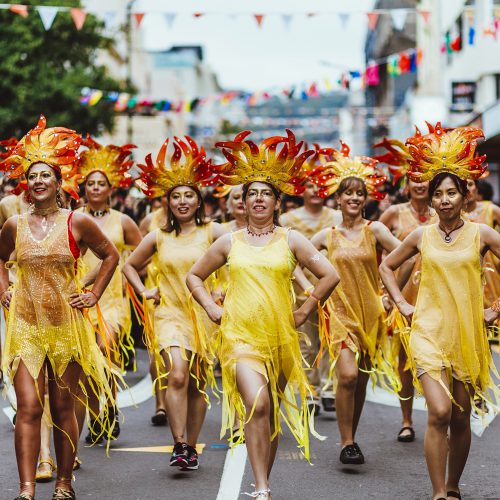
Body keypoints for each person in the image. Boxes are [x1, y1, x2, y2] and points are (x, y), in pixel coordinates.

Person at [187, 130, 339, 499]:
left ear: (276, 201)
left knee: (269, 416)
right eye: (250, 193)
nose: (256, 199)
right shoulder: (229, 241)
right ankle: (263, 488)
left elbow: (329, 275)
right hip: (239, 337)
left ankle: (260, 479)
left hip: (280, 338)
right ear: (242, 201)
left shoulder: (291, 240)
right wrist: (210, 307)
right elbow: (194, 275)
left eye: (264, 193)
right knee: (258, 403)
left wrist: (304, 309)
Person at [0, 116, 119, 500]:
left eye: (45, 175)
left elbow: (110, 255)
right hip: (25, 327)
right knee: (29, 408)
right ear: (26, 183)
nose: (38, 181)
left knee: (65, 407)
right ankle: (26, 487)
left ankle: (65, 483)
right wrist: (4, 288)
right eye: (32, 176)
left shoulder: (77, 221)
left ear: (58, 182)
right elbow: (0, 259)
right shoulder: (14, 225)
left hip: (67, 326)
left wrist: (95, 293)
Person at [379, 122, 500, 500]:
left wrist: (495, 309)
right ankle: (437, 493)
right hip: (428, 331)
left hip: (467, 335)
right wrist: (402, 304)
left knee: (462, 417)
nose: (445, 200)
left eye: (452, 192)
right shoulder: (420, 235)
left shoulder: (482, 234)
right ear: (430, 201)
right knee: (439, 411)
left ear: (466, 195)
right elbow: (386, 267)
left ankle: (453, 485)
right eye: (439, 194)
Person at [123, 136, 226, 472]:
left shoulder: (214, 232)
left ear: (199, 202)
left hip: (205, 315)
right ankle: (180, 443)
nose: (182, 201)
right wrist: (144, 291)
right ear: (167, 202)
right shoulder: (158, 236)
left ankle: (191, 445)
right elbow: (128, 266)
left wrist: (223, 291)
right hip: (169, 315)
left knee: (198, 383)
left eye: (189, 196)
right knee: (177, 376)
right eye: (176, 196)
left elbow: (237, 264)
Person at [309, 141, 401, 464]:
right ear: (338, 198)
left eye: (359, 193)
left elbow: (405, 253)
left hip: (371, 313)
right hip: (339, 314)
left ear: (366, 198)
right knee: (346, 376)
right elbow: (294, 260)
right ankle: (345, 441)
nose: (354, 198)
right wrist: (313, 293)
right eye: (347, 193)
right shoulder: (326, 236)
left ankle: (351, 437)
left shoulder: (374, 230)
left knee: (360, 380)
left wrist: (392, 294)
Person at [75, 136, 143, 445]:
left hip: (113, 300)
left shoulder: (124, 221)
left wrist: (133, 277)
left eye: (101, 183)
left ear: (110, 189)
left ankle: (111, 407)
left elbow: (142, 256)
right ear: (84, 188)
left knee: (105, 352)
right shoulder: (74, 220)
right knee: (86, 362)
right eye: (91, 183)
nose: (96, 188)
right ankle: (96, 416)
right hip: (79, 299)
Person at [375, 136, 438, 442]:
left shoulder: (445, 213)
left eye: (424, 178)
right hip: (405, 297)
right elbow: (373, 247)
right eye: (413, 178)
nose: (419, 184)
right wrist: (385, 293)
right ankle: (407, 420)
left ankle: (441, 417)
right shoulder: (393, 214)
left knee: (441, 358)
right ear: (405, 182)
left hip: (439, 295)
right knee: (404, 360)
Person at [280, 146, 342, 414]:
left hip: (334, 287)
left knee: (333, 339)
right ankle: (309, 391)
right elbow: (286, 258)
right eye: (309, 185)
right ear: (300, 190)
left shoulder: (337, 218)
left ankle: (329, 388)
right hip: (298, 290)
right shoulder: (286, 220)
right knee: (306, 341)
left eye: (320, 185)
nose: (315, 190)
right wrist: (304, 285)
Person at [463, 178, 500, 309]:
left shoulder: (491, 209)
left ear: (477, 188)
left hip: (490, 272)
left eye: (470, 184)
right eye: (462, 184)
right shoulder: (450, 215)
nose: (467, 188)